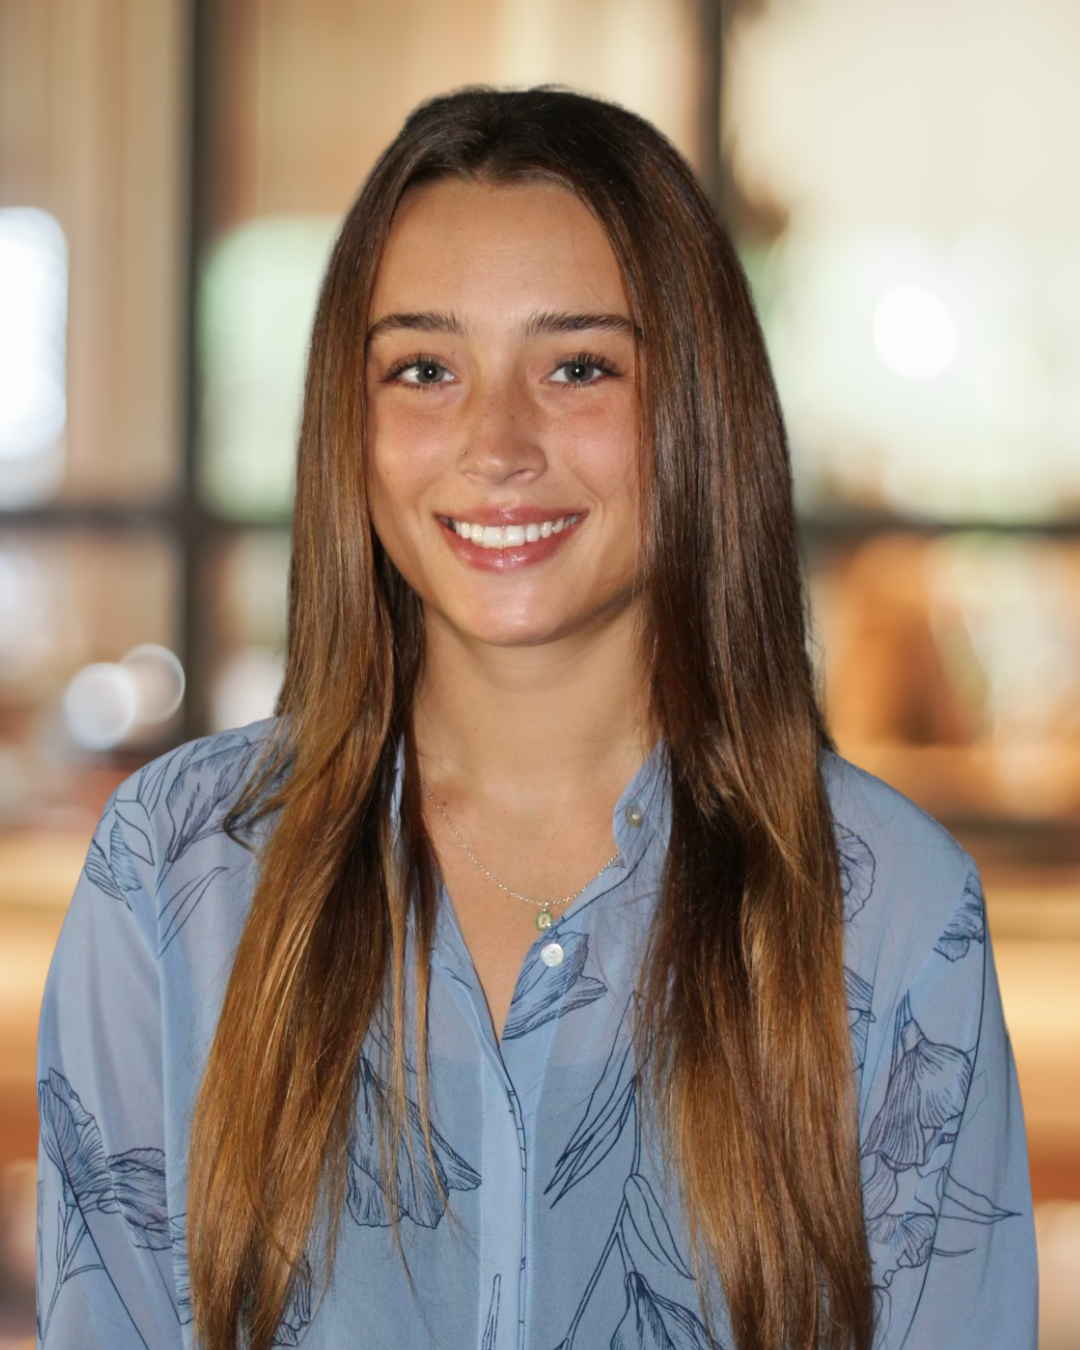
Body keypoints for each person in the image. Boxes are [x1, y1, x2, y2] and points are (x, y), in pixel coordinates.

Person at [36, 88, 1036, 1350]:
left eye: (577, 367)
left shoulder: (890, 906)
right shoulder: (174, 871)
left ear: (697, 410)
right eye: (423, 368)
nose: (495, 444)